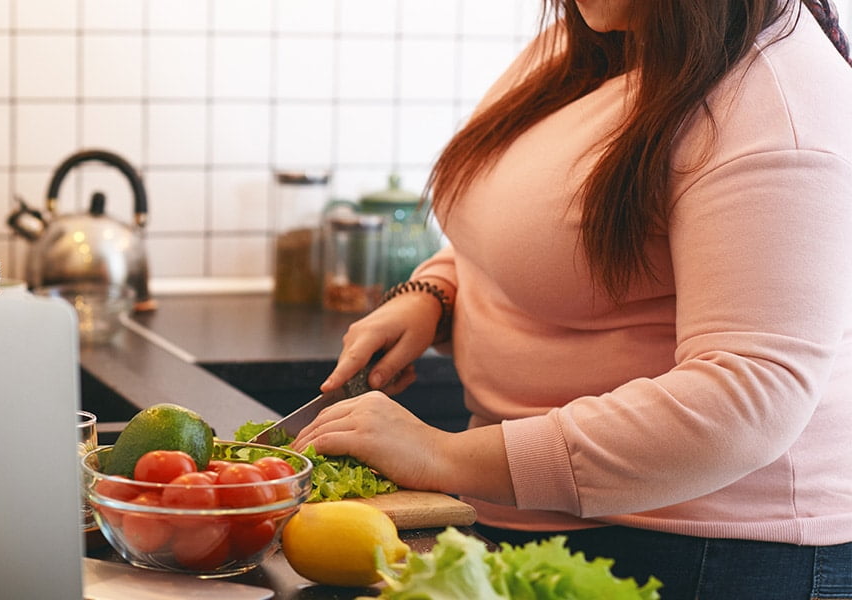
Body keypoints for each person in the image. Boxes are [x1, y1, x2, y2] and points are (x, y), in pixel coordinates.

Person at [291, 0, 852, 597]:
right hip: (529, 519)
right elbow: (533, 225)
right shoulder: (598, 39)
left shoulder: (778, 112)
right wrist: (434, 291)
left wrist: (444, 456)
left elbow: (745, 400)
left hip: (702, 554)